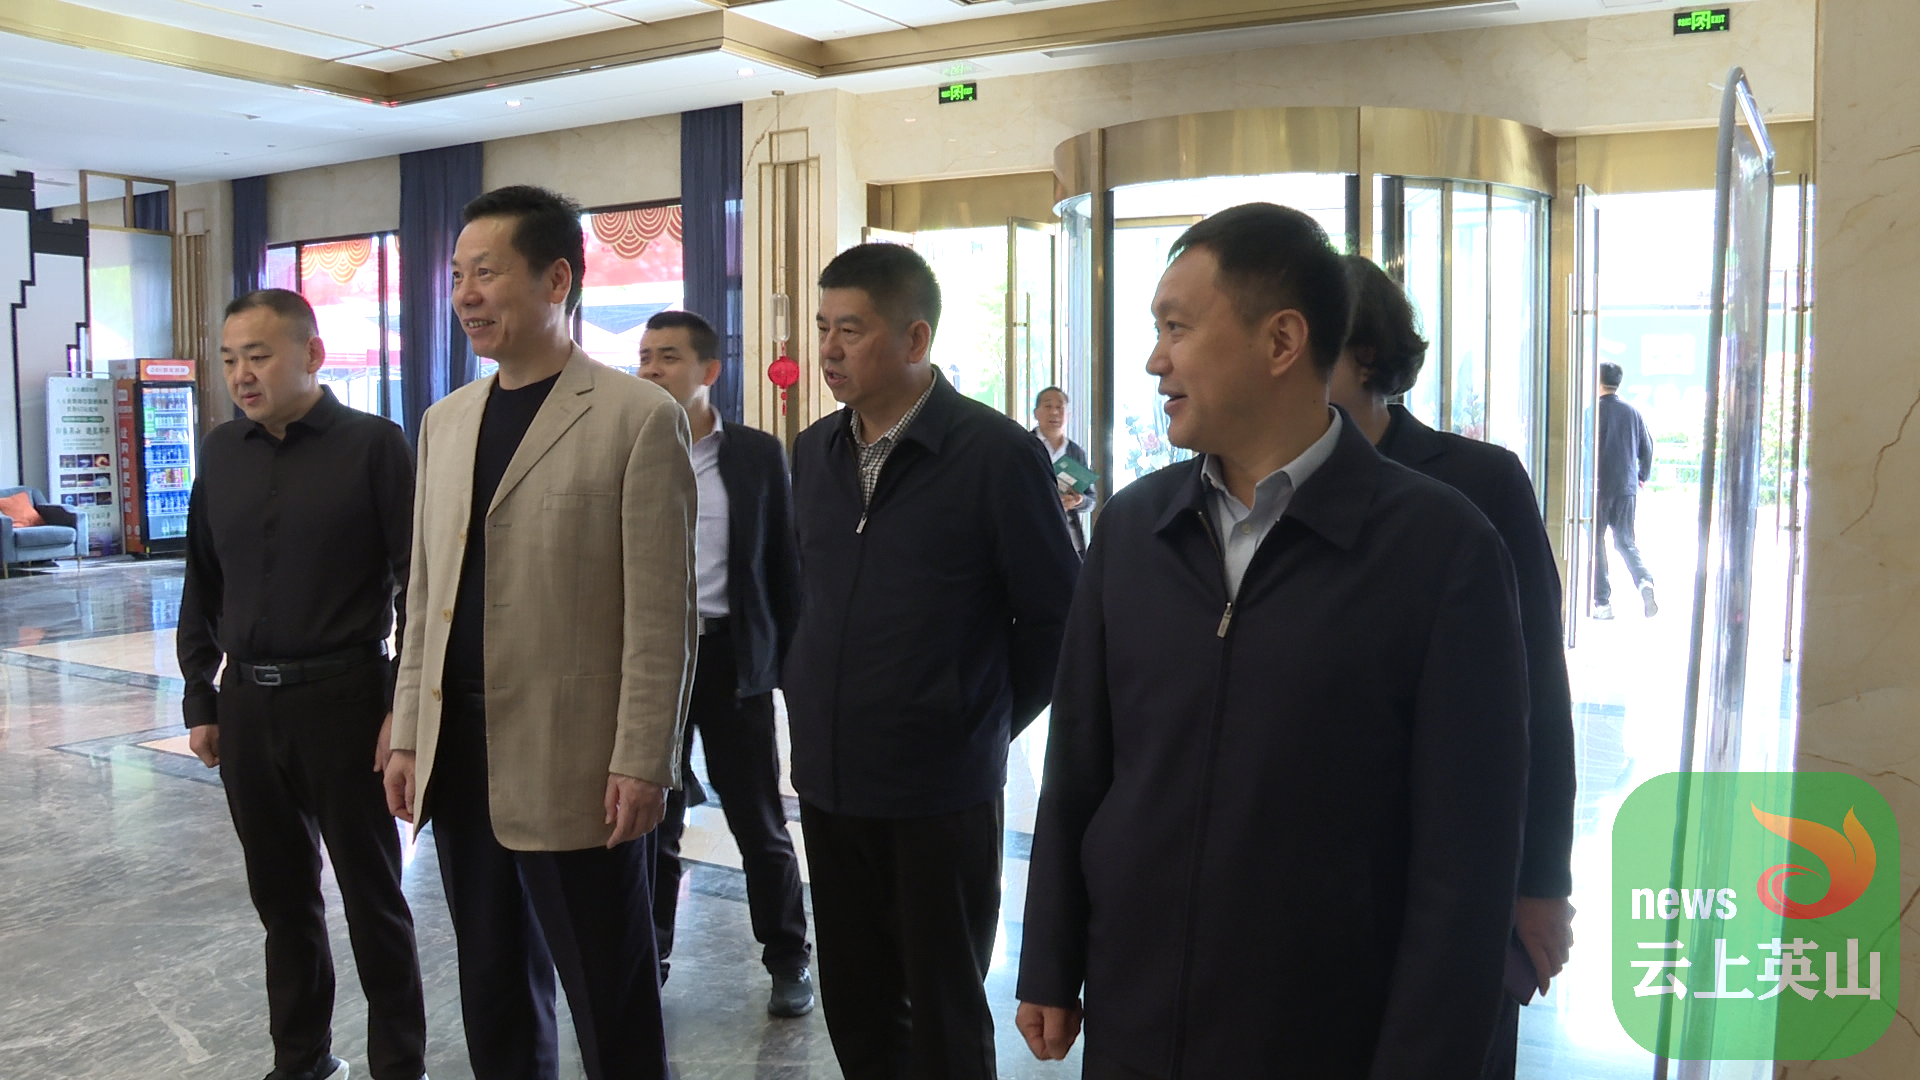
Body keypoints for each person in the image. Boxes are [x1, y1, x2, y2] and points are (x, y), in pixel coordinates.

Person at [1016, 203, 1531, 1078]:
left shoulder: (1440, 549)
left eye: (1177, 327)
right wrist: (1051, 962)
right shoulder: (1135, 529)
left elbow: (1466, 863)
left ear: (1282, 340)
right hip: (1139, 1022)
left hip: (1323, 1034)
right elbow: (1079, 771)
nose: (1155, 360)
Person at [382, 185, 696, 1080]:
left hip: (580, 762)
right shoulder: (446, 423)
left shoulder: (637, 417)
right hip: (461, 754)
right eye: (456, 276)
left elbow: (661, 617)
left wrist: (644, 759)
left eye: (486, 273)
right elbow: (426, 597)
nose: (466, 295)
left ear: (557, 279)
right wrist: (408, 733)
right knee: (493, 990)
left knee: (610, 995)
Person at [785, 242, 1081, 1080]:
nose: (829, 349)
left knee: (944, 1015)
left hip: (938, 793)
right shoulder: (812, 452)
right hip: (830, 782)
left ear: (915, 338)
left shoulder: (994, 454)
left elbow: (1056, 620)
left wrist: (971, 718)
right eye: (822, 327)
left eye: (850, 330)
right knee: (857, 1007)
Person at [1330, 254, 1578, 1080]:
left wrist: (1540, 880)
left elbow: (1539, 692)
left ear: (1366, 355)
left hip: (1460, 866)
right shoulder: (1262, 486)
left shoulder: (1480, 479)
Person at [179, 288, 425, 1080]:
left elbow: (418, 584)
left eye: (257, 356)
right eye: (229, 360)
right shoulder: (222, 452)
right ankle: (302, 1060)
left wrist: (402, 709)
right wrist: (201, 697)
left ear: (312, 355)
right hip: (248, 707)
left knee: (373, 900)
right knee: (282, 903)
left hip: (347, 702)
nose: (240, 376)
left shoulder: (375, 446)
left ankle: (399, 1064)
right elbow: (201, 582)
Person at [635, 308, 815, 1017]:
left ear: (708, 371)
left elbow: (785, 568)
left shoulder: (756, 456)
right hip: (654, 661)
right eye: (645, 357)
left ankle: (789, 957)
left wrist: (792, 670)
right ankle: (649, 958)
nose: (651, 369)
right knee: (655, 818)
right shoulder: (628, 450)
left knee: (758, 819)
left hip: (731, 658)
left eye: (668, 357)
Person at [1595, 361, 1657, 619]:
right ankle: (1644, 581)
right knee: (1625, 541)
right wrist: (1642, 476)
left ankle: (1603, 603)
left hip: (1598, 487)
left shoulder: (1592, 412)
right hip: (1626, 486)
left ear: (1598, 381)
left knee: (1596, 542)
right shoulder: (1633, 412)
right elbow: (1647, 448)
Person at [1032, 385, 1097, 554]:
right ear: (1036, 413)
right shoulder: (1024, 446)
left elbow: (1091, 500)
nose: (1054, 412)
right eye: (1048, 406)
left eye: (1060, 408)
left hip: (1069, 541)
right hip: (1032, 535)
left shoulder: (1076, 452)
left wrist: (1078, 501)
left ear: (1068, 415)